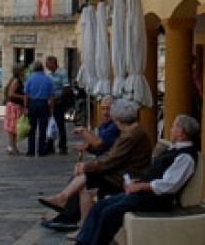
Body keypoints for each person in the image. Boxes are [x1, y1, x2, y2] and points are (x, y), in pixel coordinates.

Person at [69, 114, 200, 245]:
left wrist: (140, 186)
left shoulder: (185, 157)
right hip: (144, 194)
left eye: (174, 127)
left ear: (181, 132)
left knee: (109, 213)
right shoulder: (175, 150)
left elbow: (169, 184)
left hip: (155, 200)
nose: (171, 130)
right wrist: (138, 183)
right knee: (99, 206)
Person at [38, 98, 152, 232]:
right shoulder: (131, 132)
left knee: (87, 181)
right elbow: (110, 154)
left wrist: (86, 166)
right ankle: (68, 208)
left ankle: (79, 221)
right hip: (122, 172)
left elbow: (111, 158)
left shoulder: (130, 135)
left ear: (117, 118)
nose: (106, 113)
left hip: (127, 177)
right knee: (86, 178)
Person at [24, 61, 55, 157]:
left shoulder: (29, 79)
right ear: (42, 69)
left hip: (32, 103)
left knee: (32, 129)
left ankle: (31, 151)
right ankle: (41, 150)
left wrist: (25, 107)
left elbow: (26, 94)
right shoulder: (47, 79)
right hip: (43, 104)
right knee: (42, 128)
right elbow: (51, 96)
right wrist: (51, 109)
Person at [46, 56, 70, 155]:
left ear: (54, 63)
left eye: (48, 64)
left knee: (60, 123)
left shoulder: (62, 73)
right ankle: (50, 145)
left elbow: (66, 87)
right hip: (50, 102)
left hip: (59, 101)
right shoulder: (48, 75)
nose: (47, 66)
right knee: (51, 123)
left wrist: (59, 98)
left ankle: (62, 146)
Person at [3, 64, 28, 155]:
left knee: (13, 127)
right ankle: (12, 146)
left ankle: (13, 146)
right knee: (13, 126)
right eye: (24, 70)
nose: (25, 72)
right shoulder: (16, 81)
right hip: (14, 105)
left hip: (13, 105)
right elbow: (11, 94)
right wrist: (22, 97)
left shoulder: (17, 80)